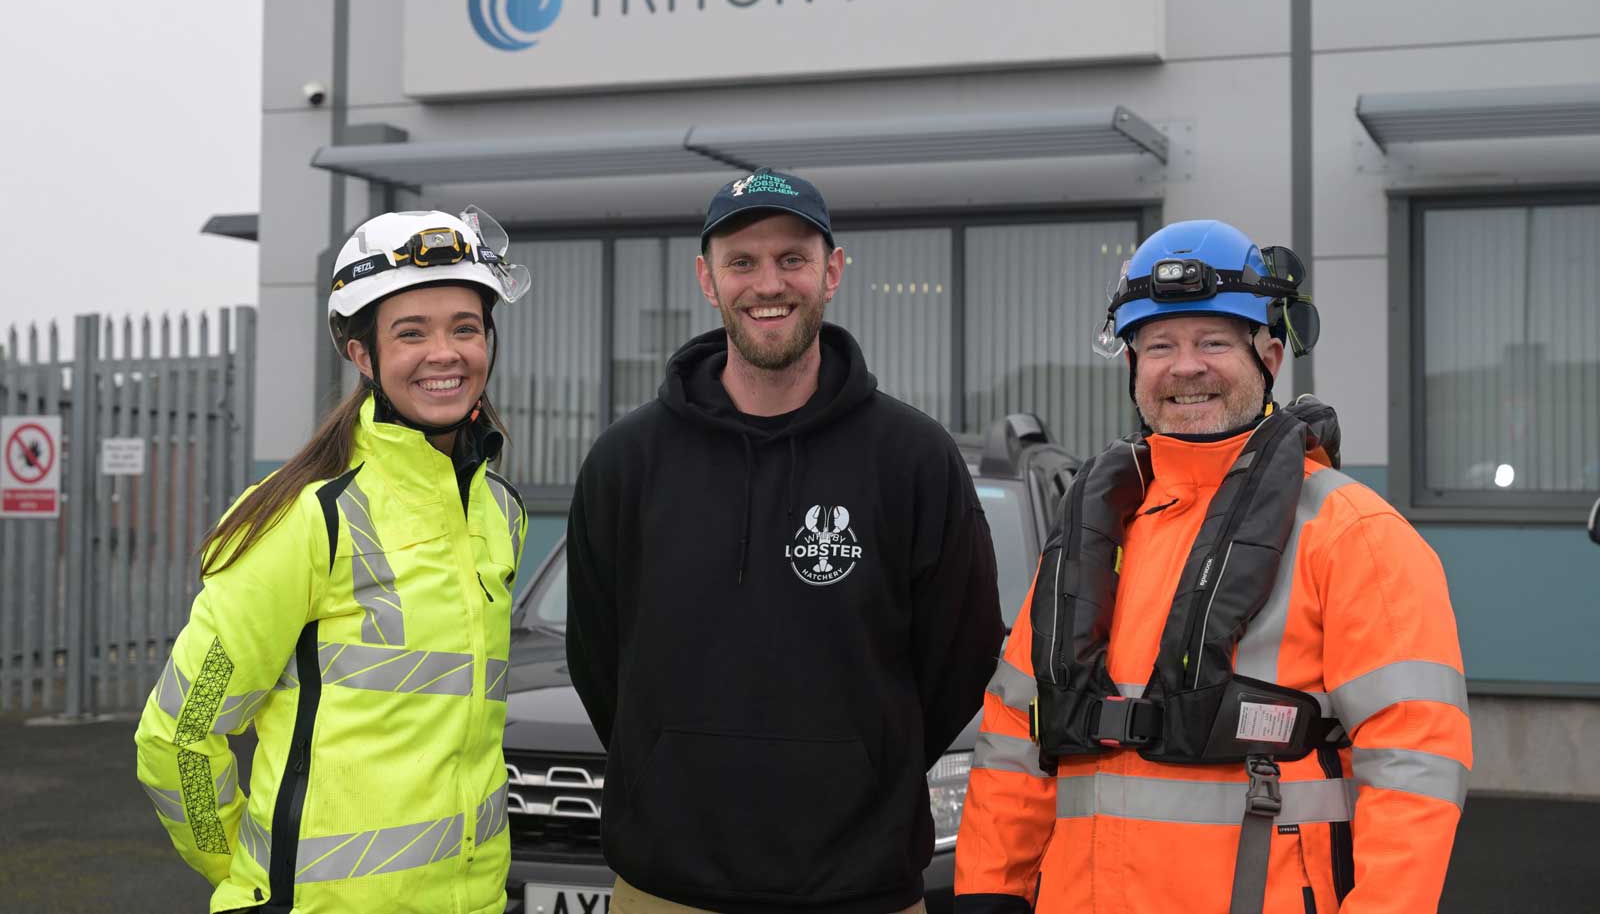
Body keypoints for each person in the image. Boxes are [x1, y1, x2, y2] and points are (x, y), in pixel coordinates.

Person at [954, 219, 1471, 914]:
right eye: (1159, 344)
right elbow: (1017, 733)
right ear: (1132, 364)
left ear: (1272, 356)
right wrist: (990, 890)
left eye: (1213, 342)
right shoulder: (1094, 536)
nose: (1185, 367)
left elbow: (1415, 764)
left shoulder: (1354, 534)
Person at [565, 167, 1006, 914]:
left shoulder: (912, 458)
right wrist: (667, 757)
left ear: (832, 271)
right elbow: (599, 655)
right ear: (708, 280)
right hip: (666, 888)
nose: (768, 283)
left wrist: (865, 761)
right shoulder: (628, 460)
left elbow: (957, 658)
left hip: (861, 889)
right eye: (742, 261)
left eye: (792, 259)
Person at [134, 208, 532, 914]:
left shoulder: (497, 511)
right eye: (411, 332)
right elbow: (180, 733)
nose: (446, 353)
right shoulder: (305, 516)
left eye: (464, 327)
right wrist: (252, 877)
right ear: (363, 355)